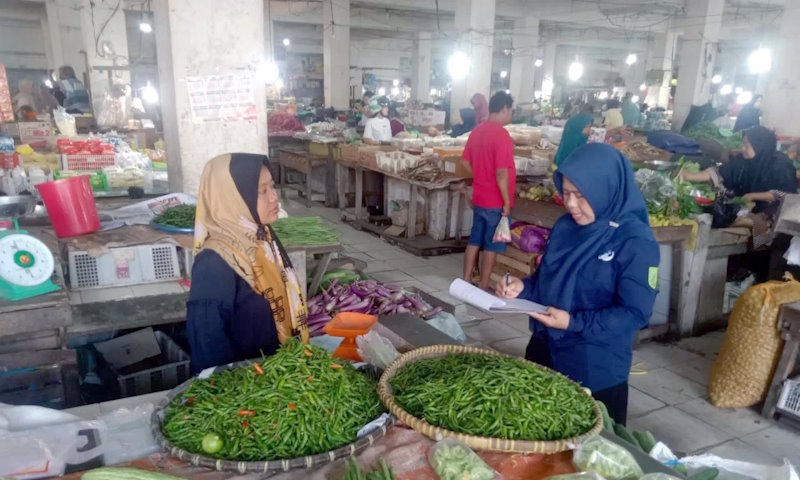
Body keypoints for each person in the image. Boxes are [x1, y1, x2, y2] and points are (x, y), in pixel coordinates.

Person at [497, 143, 660, 425]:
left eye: (581, 195)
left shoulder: (634, 242)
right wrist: (523, 288)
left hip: (593, 369)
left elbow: (635, 314)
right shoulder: (566, 228)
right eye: (567, 193)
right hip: (544, 351)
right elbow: (546, 280)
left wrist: (573, 323)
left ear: (605, 189)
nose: (571, 204)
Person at [186, 153, 309, 374]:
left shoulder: (263, 240)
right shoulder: (213, 264)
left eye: (272, 187)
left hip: (279, 380)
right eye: (262, 191)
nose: (274, 198)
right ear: (232, 197)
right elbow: (208, 352)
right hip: (244, 393)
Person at [681, 126, 797, 252]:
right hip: (746, 205)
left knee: (758, 223)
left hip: (773, 210)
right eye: (743, 144)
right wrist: (689, 176)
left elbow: (786, 194)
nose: (743, 149)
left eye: (747, 145)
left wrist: (753, 196)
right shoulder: (742, 160)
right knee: (724, 215)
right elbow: (719, 173)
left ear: (759, 145)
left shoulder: (780, 165)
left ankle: (759, 253)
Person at [461, 91, 516, 290]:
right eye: (511, 110)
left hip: (479, 198)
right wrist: (507, 203)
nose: (511, 114)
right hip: (496, 203)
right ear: (504, 109)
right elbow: (502, 173)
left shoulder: (477, 131)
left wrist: (479, 175)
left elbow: (465, 161)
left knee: (475, 240)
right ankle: (483, 286)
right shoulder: (502, 135)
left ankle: (466, 281)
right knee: (492, 246)